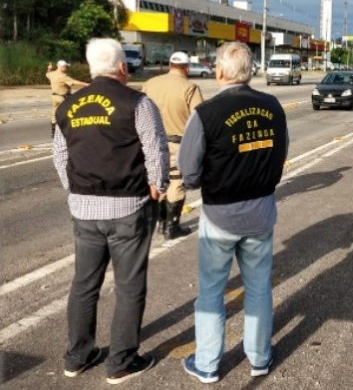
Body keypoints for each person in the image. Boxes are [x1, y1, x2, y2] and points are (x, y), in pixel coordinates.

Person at [52, 38, 169, 385]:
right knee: (129, 286)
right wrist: (158, 184)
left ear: (88, 68)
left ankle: (78, 355)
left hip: (83, 208)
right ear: (122, 67)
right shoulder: (137, 102)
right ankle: (121, 361)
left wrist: (74, 189)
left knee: (84, 283)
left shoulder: (68, 106)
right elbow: (155, 148)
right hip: (128, 207)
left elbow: (60, 156)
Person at [178, 41, 288, 384]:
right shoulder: (273, 106)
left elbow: (190, 173)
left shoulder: (206, 113)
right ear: (250, 71)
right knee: (258, 287)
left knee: (212, 289)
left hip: (220, 216)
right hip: (260, 212)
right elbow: (281, 153)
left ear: (221, 71)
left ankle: (208, 364)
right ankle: (259, 357)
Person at [142, 51, 204, 239]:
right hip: (177, 144)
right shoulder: (189, 87)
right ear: (186, 67)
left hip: (150, 143)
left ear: (170, 65)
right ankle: (171, 227)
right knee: (176, 183)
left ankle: (160, 224)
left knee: (157, 180)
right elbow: (199, 117)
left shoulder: (149, 84)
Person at [46, 59, 88, 137]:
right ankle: (70, 130)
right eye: (65, 67)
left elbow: (47, 74)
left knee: (54, 115)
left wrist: (49, 68)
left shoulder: (52, 74)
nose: (67, 68)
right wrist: (87, 84)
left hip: (54, 97)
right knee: (71, 113)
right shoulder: (63, 77)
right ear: (61, 67)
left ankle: (53, 132)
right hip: (62, 98)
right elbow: (75, 82)